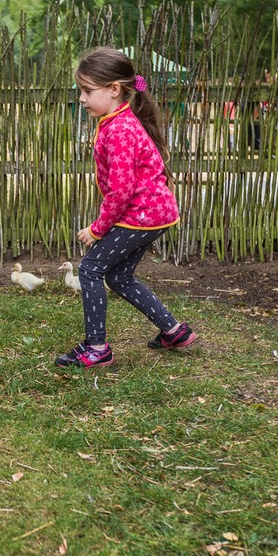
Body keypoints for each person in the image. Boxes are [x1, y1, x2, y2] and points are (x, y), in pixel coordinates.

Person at [55, 47, 197, 369]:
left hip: (141, 215)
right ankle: (174, 332)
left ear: (114, 90)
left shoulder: (119, 129)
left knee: (90, 269)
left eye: (87, 91)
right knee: (118, 276)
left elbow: (120, 192)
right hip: (154, 215)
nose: (81, 98)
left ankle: (97, 348)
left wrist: (97, 229)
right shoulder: (116, 121)